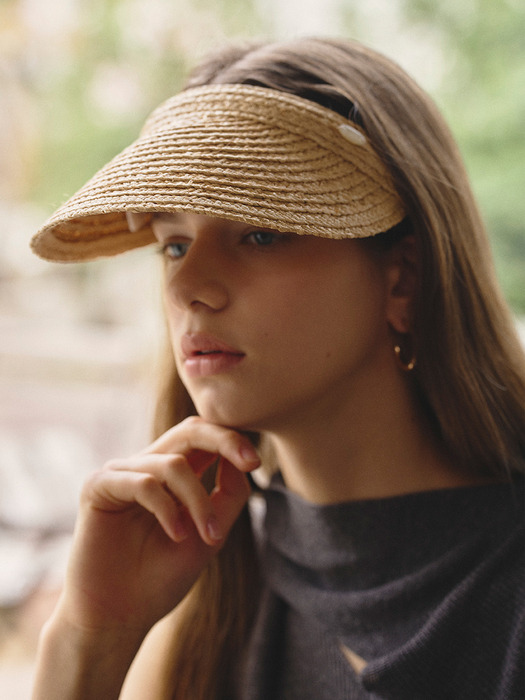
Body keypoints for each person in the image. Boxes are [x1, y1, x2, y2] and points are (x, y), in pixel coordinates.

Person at [30, 38, 524, 700]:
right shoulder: (198, 588)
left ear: (401, 278)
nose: (187, 287)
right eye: (173, 244)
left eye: (259, 234)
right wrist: (90, 639)